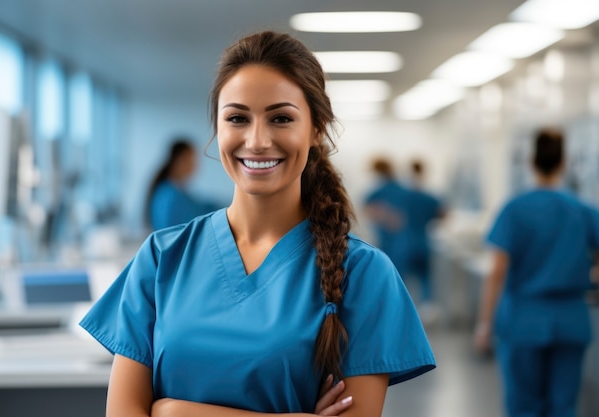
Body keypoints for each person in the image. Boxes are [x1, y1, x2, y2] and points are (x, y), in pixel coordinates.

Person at [79, 30, 436, 417]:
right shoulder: (162, 258)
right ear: (217, 129)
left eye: (281, 118)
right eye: (237, 118)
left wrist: (174, 412)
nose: (258, 140)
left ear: (316, 129)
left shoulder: (364, 274)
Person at [474, 127, 599, 417]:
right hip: (571, 319)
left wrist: (484, 325)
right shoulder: (583, 210)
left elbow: (497, 273)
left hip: (524, 320)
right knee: (563, 406)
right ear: (563, 163)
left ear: (531, 162)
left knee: (524, 406)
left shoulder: (515, 209)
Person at [145, 138, 220, 231]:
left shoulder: (175, 193)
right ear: (180, 160)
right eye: (192, 159)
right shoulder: (170, 197)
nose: (195, 165)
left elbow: (202, 207)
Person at [403, 159, 445, 306]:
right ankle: (425, 308)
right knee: (425, 279)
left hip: (404, 243)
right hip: (422, 242)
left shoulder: (403, 196)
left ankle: (403, 308)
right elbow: (443, 214)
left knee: (401, 280)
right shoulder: (429, 197)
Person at [363, 157, 412, 277]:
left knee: (390, 272)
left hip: (395, 240)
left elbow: (369, 211)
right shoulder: (402, 190)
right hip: (394, 240)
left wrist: (385, 216)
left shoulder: (383, 191)